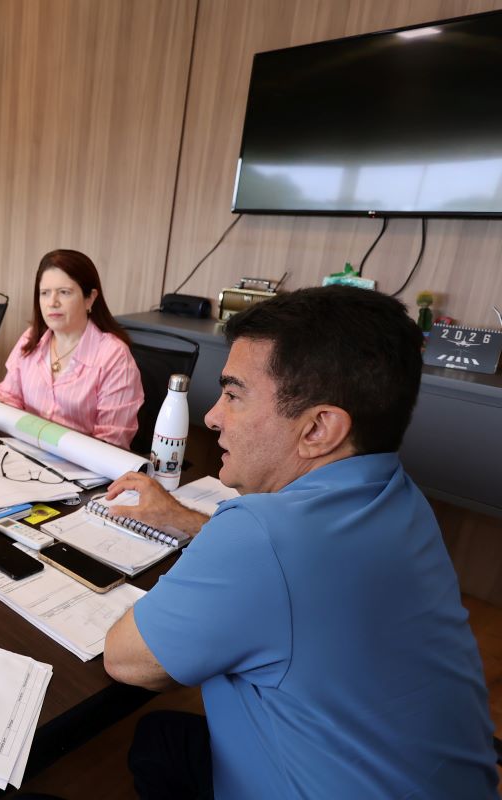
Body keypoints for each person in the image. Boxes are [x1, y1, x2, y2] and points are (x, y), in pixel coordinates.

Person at [101, 286, 496, 799]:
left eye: (233, 395)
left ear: (318, 429)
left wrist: (219, 544)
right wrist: (190, 522)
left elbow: (126, 661)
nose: (213, 416)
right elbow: (295, 566)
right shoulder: (401, 498)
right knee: (161, 738)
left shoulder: (258, 534)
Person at [0, 249, 143, 448]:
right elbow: (8, 399)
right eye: (45, 293)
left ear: (90, 298)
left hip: (82, 464)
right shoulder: (31, 339)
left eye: (64, 292)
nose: (52, 302)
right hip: (24, 451)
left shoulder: (114, 356)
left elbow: (111, 441)